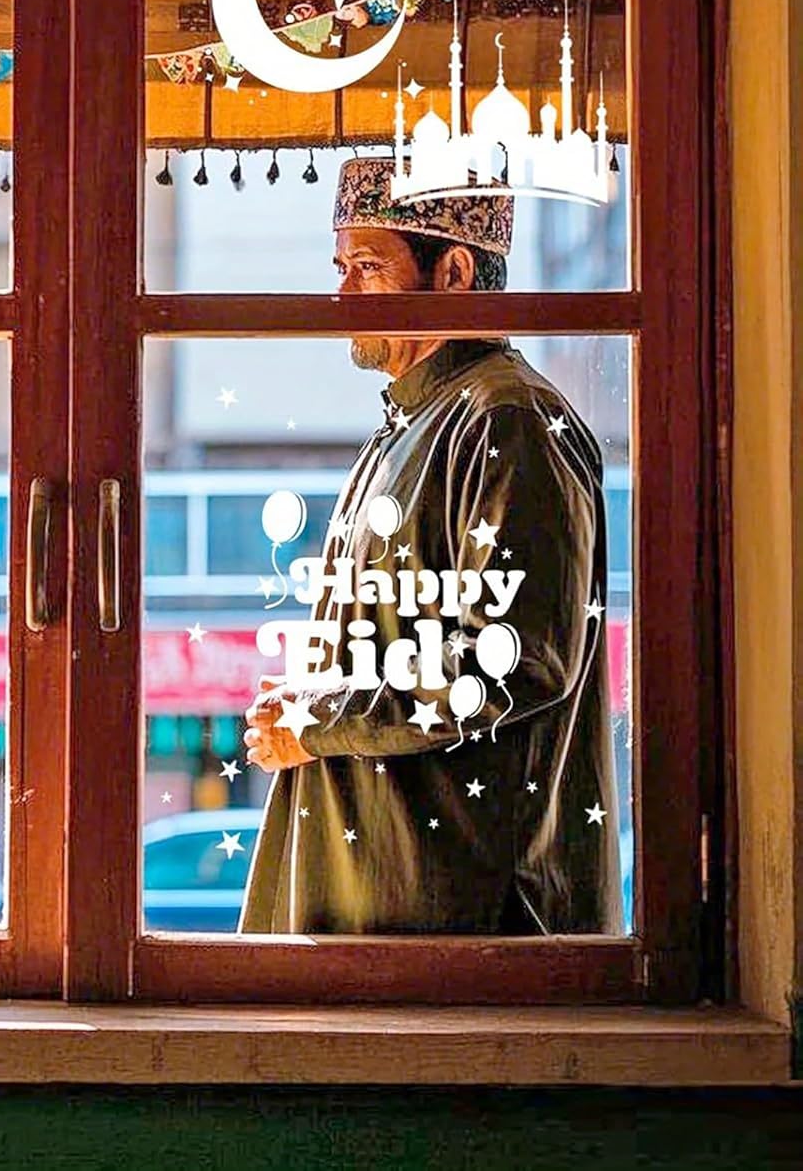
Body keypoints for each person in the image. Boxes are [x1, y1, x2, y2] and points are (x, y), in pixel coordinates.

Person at [240, 158, 621, 936]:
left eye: (369, 267)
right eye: (340, 267)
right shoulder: (418, 423)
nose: (341, 295)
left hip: (463, 921)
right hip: (402, 911)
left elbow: (514, 659)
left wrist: (319, 719)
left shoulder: (504, 420)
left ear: (453, 271)